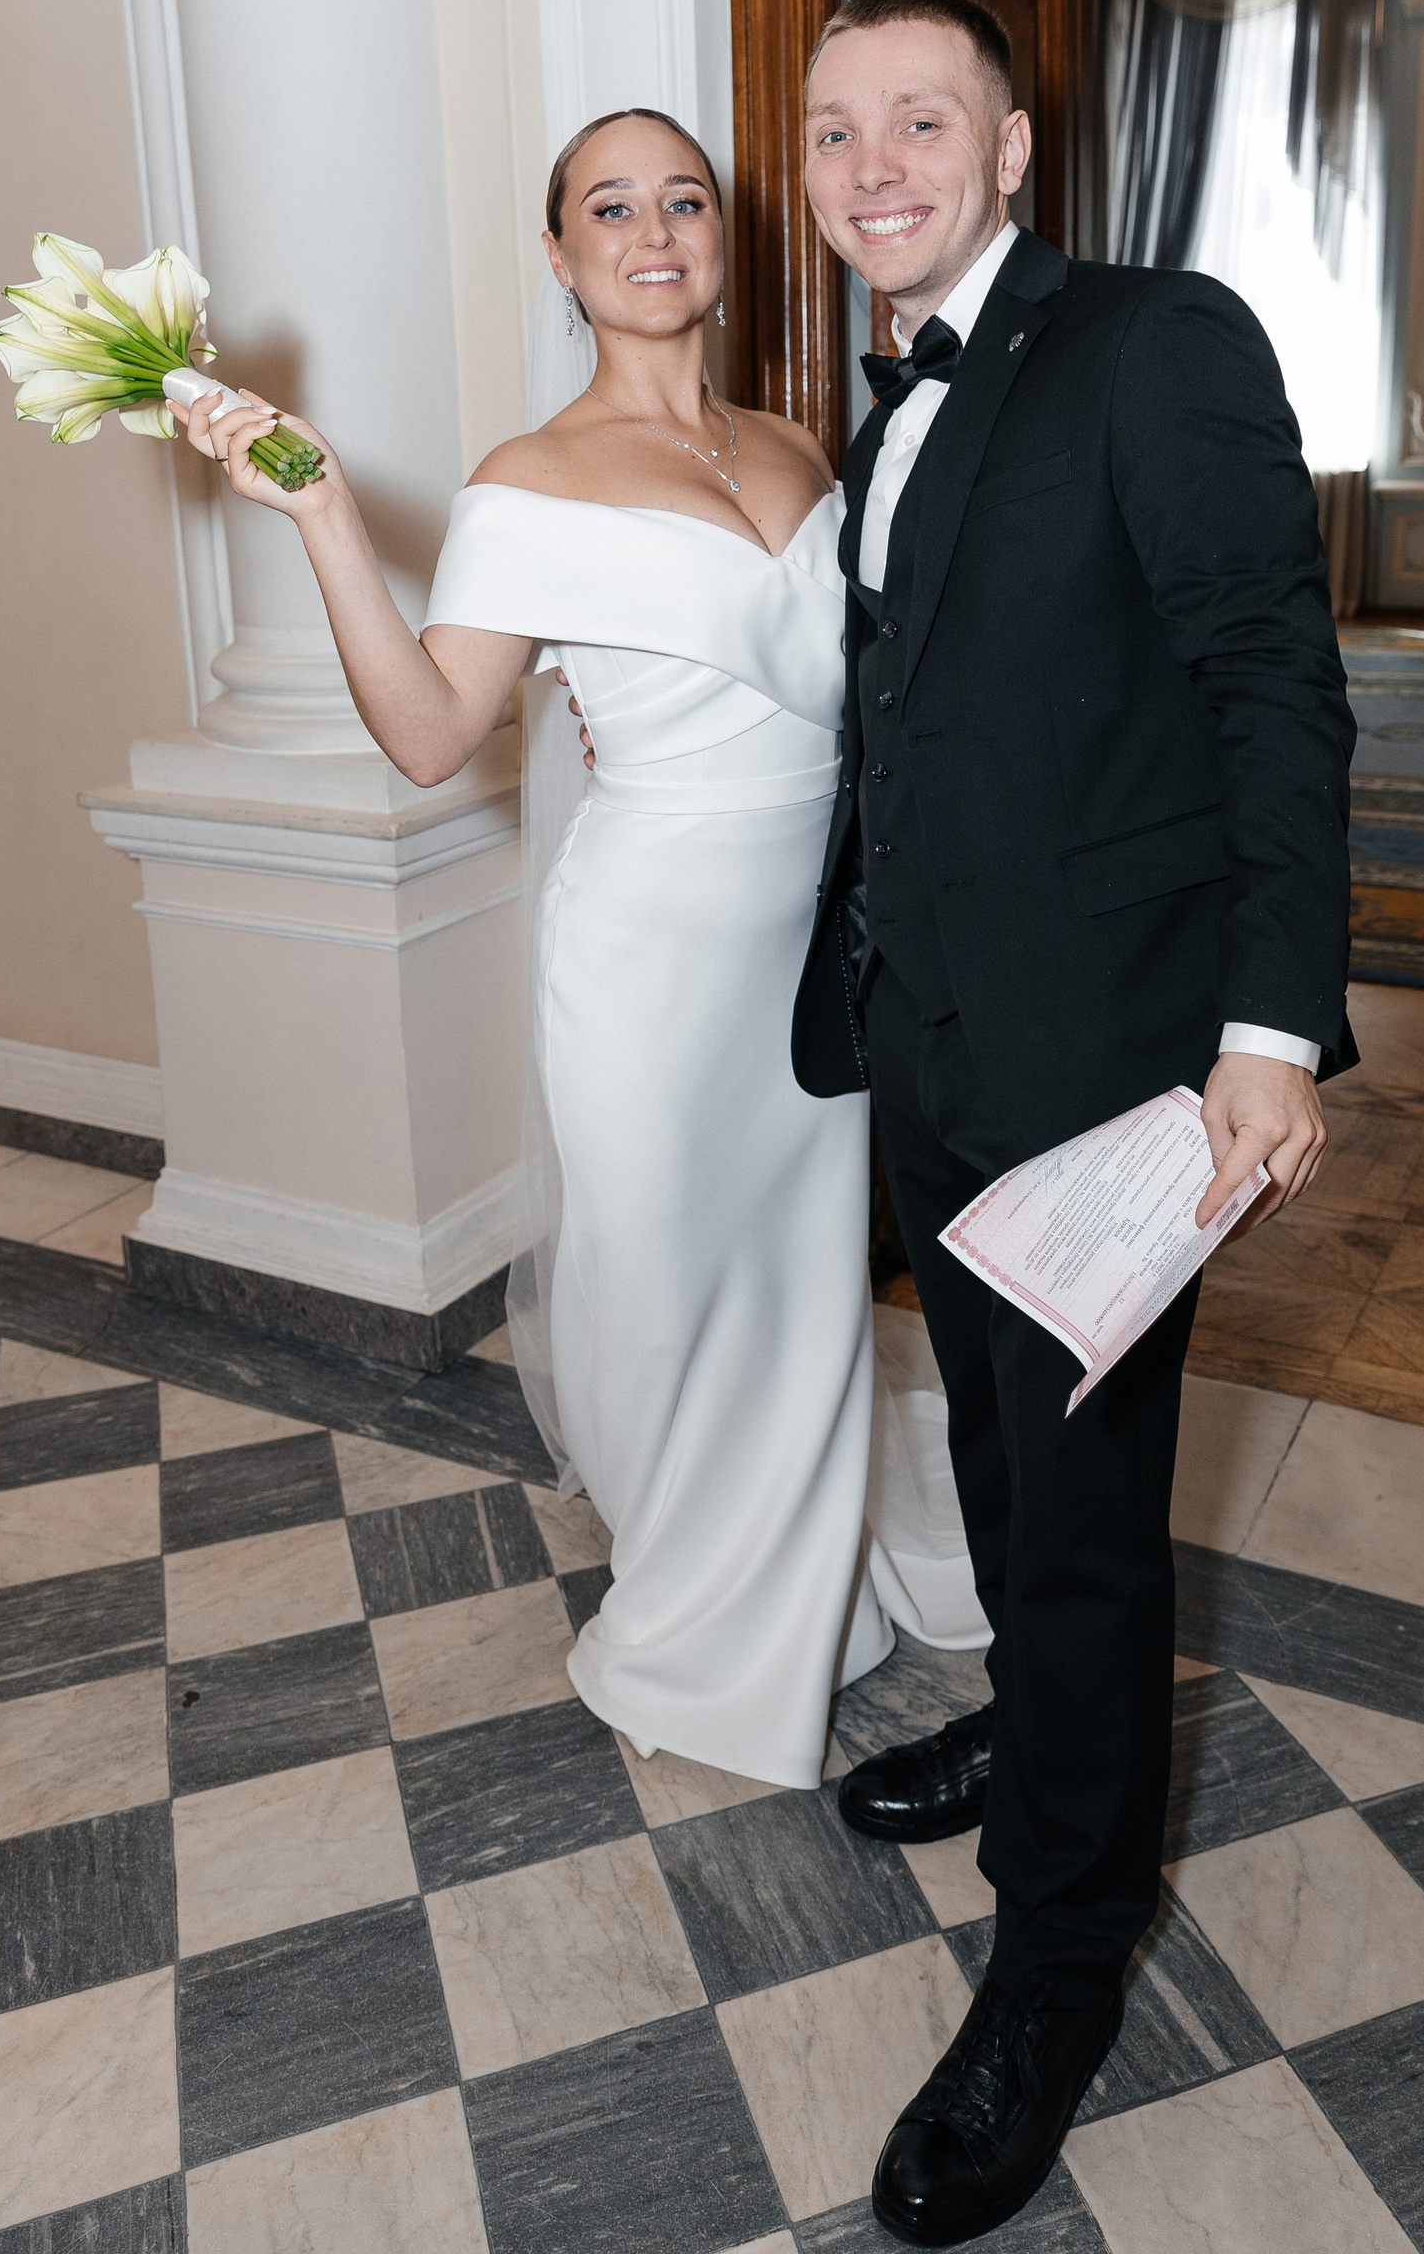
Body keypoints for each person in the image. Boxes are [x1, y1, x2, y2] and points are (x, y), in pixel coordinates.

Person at [178, 105, 980, 1792]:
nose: (652, 230)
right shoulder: (526, 483)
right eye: (609, 207)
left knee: (802, 1283)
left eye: (682, 199)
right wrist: (320, 514)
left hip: (809, 957)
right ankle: (702, 1617)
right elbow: (430, 735)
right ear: (561, 255)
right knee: (663, 1281)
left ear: (725, 237)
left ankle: (811, 1583)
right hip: (648, 959)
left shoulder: (803, 453)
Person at [793, 0, 1355, 2246]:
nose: (873, 167)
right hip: (931, 1040)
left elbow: (1271, 686)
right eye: (835, 131)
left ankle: (1058, 1956)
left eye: (920, 120)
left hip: (1115, 1067)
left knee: (1093, 1514)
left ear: (1014, 148)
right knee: (1005, 1461)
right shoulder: (884, 408)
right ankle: (1041, 1728)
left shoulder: (1152, 340)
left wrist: (1270, 1034)